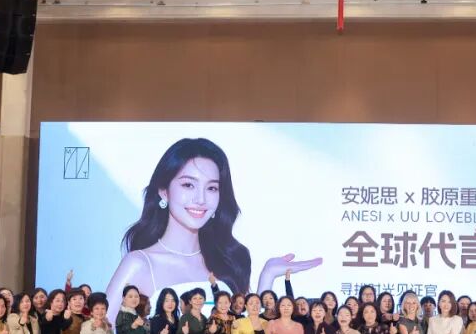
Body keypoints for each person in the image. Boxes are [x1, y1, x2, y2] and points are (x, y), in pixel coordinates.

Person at [105, 138, 322, 322]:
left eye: (211, 188)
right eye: (188, 185)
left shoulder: (227, 259)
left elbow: (244, 330)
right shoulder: (140, 264)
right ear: (163, 191)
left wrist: (268, 276)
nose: (200, 199)